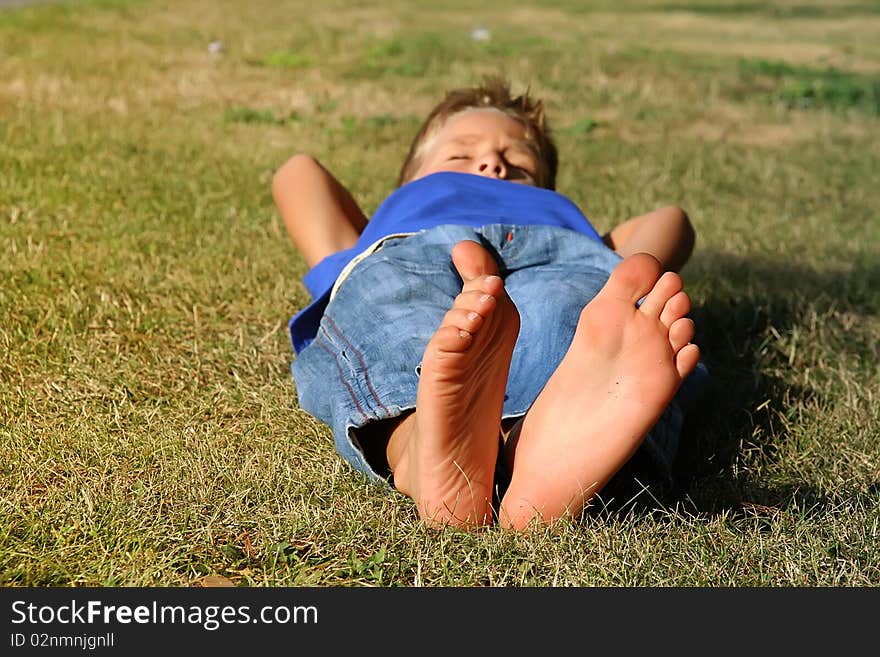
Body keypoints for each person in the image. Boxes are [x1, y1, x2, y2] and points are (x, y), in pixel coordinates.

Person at [272, 77, 704, 531]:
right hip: (415, 246)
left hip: (560, 253)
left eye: (517, 161)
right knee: (392, 307)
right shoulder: (378, 230)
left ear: (543, 183)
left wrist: (623, 270)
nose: (492, 163)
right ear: (410, 180)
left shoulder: (560, 217)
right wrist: (367, 234)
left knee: (567, 309)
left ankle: (532, 446)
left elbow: (671, 221)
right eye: (460, 154)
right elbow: (298, 172)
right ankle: (422, 448)